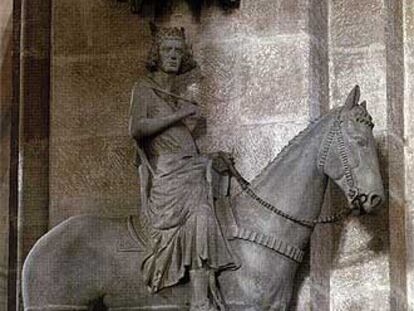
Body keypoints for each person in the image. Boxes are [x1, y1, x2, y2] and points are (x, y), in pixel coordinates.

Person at [128, 23, 238, 311]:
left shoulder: (172, 96)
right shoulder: (144, 89)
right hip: (168, 178)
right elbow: (137, 129)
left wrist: (212, 156)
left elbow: (181, 148)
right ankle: (200, 299)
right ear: (157, 54)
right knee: (200, 211)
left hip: (187, 170)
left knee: (210, 196)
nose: (174, 56)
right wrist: (179, 115)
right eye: (168, 50)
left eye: (178, 51)